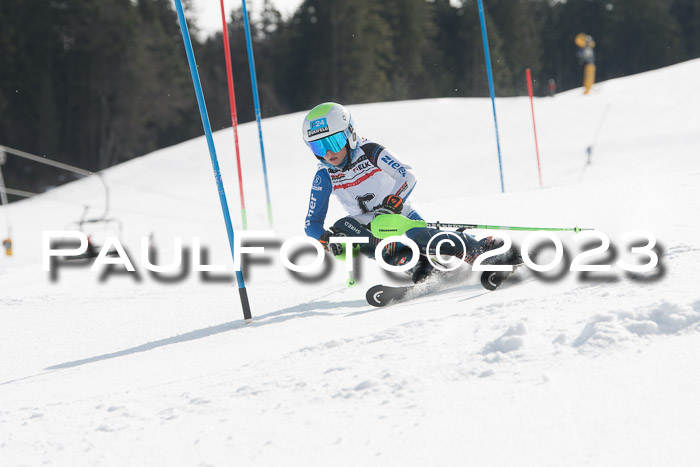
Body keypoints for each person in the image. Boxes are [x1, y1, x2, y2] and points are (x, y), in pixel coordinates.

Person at [301, 102, 517, 284]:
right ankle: (416, 265)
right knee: (342, 230)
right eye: (318, 148)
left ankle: (481, 249)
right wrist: (326, 239)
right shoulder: (325, 175)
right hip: (367, 224)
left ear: (350, 134)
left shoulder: (369, 151)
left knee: (423, 239)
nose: (328, 154)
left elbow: (407, 175)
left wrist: (391, 204)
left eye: (333, 142)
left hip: (399, 213)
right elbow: (312, 221)